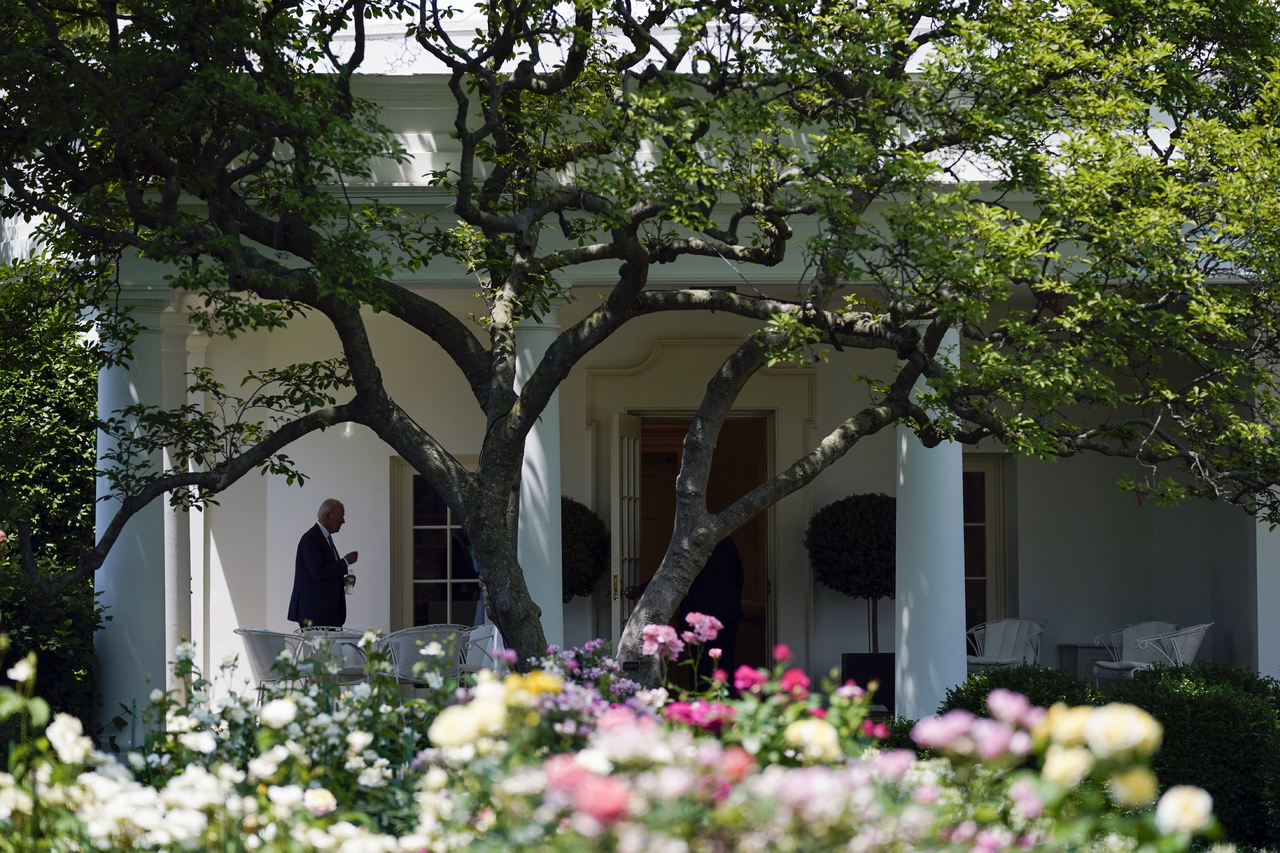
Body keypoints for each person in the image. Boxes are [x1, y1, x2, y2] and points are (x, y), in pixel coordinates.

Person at [288, 499, 359, 628]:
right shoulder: (311, 539)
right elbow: (318, 572)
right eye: (341, 516)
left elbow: (322, 576)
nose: (343, 521)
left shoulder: (323, 538)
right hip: (315, 613)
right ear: (327, 516)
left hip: (326, 613)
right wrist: (345, 561)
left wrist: (342, 582)